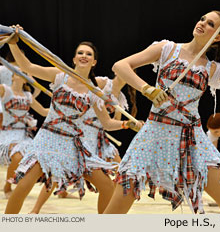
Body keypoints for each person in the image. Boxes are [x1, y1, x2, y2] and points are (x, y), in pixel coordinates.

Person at [103, 10, 220, 214]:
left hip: (192, 139)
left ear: (218, 37)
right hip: (155, 134)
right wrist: (147, 89)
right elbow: (120, 66)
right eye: (202, 19)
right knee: (115, 211)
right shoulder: (167, 49)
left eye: (210, 24)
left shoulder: (211, 69)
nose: (202, 23)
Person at [4, 32, 142, 214]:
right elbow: (27, 66)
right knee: (24, 184)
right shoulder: (59, 76)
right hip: (48, 139)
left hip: (74, 145)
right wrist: (13, 43)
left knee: (107, 186)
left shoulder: (95, 90)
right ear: (74, 59)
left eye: (89, 54)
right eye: (80, 53)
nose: (84, 56)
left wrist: (127, 124)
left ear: (94, 62)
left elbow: (107, 123)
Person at [29, 75, 130, 214]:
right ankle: (35, 210)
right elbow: (83, 96)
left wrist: (119, 115)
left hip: (98, 136)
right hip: (82, 133)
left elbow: (112, 121)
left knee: (122, 171)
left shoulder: (120, 97)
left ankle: (109, 210)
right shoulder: (102, 83)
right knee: (57, 172)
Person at [0, 69, 48, 198]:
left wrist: (61, 109)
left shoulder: (27, 95)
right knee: (17, 157)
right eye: (17, 72)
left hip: (23, 135)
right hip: (6, 133)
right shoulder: (5, 89)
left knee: (41, 157)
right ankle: (7, 187)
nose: (20, 74)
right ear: (13, 76)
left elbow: (43, 111)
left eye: (24, 73)